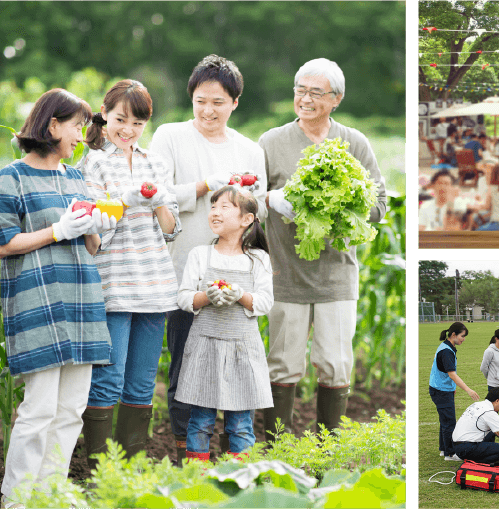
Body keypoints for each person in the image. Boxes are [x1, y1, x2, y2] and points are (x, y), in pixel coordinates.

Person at [0, 89, 115, 508]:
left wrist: (94, 225)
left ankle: (50, 495)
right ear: (52, 126)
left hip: (80, 298)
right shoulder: (13, 176)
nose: (83, 135)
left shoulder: (75, 177)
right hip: (37, 301)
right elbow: (4, 244)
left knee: (70, 411)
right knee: (39, 409)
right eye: (78, 126)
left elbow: (92, 248)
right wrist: (58, 231)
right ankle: (18, 498)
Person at [257, 58, 388, 440]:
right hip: (285, 274)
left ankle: (326, 452)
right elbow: (247, 199)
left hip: (337, 275)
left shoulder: (354, 142)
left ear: (336, 99)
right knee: (283, 364)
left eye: (316, 92)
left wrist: (346, 205)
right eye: (300, 90)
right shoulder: (272, 142)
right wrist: (271, 200)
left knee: (334, 363)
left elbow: (379, 203)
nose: (306, 99)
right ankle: (279, 449)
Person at [150, 54, 268, 458]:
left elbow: (259, 208)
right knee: (185, 360)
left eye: (218, 102)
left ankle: (236, 448)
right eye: (201, 100)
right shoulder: (170, 136)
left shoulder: (249, 150)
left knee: (236, 359)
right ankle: (188, 445)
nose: (208, 110)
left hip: (236, 276)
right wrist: (202, 186)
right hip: (183, 270)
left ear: (235, 102)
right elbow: (156, 194)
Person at [77, 79, 181, 470]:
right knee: (109, 379)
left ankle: (131, 470)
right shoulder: (92, 162)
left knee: (141, 384)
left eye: (137, 123)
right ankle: (100, 473)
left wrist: (155, 204)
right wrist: (123, 201)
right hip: (115, 285)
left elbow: (171, 229)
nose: (128, 129)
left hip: (155, 284)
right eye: (121, 119)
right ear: (105, 116)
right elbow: (94, 233)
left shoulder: (156, 162)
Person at [175, 186, 274, 461]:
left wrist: (240, 295)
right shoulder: (201, 255)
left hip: (243, 349)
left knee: (241, 425)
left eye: (224, 207)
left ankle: (239, 481)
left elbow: (265, 302)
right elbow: (183, 298)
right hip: (205, 346)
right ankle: (197, 483)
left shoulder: (258, 259)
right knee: (201, 421)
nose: (215, 212)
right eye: (213, 206)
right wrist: (206, 297)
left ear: (247, 219)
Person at [429, 322, 479, 462]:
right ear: (453, 335)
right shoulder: (446, 351)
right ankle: (450, 454)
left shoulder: (447, 347)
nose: (463, 339)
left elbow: (444, 372)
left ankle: (443, 449)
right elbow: (452, 374)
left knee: (445, 421)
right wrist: (468, 390)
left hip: (442, 389)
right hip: (440, 391)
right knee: (449, 422)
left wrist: (452, 387)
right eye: (462, 336)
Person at [451, 388, 499, 464]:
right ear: (497, 401)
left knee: (492, 433)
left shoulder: (477, 404)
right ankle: (474, 463)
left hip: (457, 444)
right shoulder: (489, 412)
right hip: (466, 447)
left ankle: (469, 455)